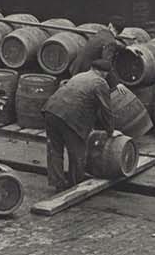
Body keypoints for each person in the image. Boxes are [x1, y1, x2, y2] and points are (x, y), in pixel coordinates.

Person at [42, 57, 114, 191]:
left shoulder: (79, 76)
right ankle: (75, 186)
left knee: (54, 150)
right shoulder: (100, 82)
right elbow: (106, 109)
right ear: (104, 73)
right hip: (70, 118)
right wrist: (110, 130)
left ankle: (58, 183)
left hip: (50, 111)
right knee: (77, 152)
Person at [69, 16, 128, 80]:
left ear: (110, 25)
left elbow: (110, 45)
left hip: (75, 68)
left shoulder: (101, 33)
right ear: (121, 31)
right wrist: (116, 84)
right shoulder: (110, 41)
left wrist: (126, 48)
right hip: (85, 74)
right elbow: (106, 64)